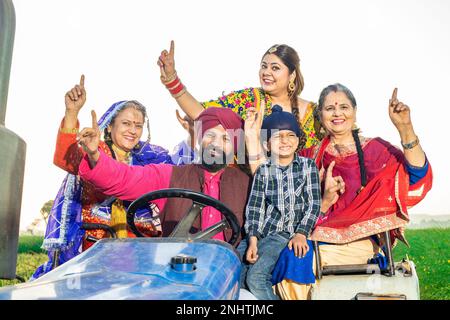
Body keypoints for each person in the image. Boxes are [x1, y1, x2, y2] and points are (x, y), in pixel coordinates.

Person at [271, 84, 433, 299]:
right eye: (330, 108)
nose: (337, 113)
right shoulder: (308, 158)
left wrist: (405, 128)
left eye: (344, 107)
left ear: (354, 111)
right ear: (320, 114)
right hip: (314, 239)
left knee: (295, 259)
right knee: (279, 262)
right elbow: (287, 212)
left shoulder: (377, 150)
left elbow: (417, 175)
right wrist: (324, 200)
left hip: (361, 242)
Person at [32, 75, 172, 280]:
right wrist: (72, 112)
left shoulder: (151, 157)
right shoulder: (97, 151)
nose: (133, 131)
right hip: (96, 243)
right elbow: (67, 159)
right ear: (109, 126)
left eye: (138, 125)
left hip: (143, 247)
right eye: (126, 123)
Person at [77, 107, 251, 243]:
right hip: (176, 271)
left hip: (227, 274)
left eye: (226, 139)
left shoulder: (247, 184)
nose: (216, 144)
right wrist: (94, 156)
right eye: (210, 135)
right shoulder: (169, 175)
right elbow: (123, 178)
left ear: (235, 146)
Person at [157, 41, 324, 172]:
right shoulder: (250, 99)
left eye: (275, 68)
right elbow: (204, 113)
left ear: (292, 74)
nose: (266, 72)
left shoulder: (315, 114)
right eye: (263, 66)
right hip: (243, 190)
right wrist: (172, 80)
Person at [238, 106, 321, 300]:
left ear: (298, 140)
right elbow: (255, 208)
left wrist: (301, 233)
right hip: (262, 233)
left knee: (257, 278)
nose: (284, 140)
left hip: (284, 235)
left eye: (290, 135)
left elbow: (313, 204)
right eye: (277, 136)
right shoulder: (263, 170)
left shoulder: (308, 167)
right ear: (267, 145)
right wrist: (252, 240)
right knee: (235, 272)